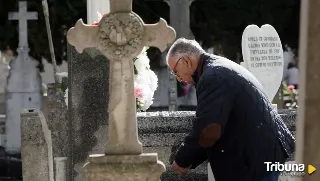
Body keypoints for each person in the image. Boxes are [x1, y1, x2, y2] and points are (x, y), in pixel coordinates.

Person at [167, 38, 295, 181]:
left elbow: (208, 127)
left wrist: (182, 160)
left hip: (254, 160)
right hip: (261, 154)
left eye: (176, 72)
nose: (179, 78)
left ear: (186, 61)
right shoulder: (217, 67)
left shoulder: (213, 77)